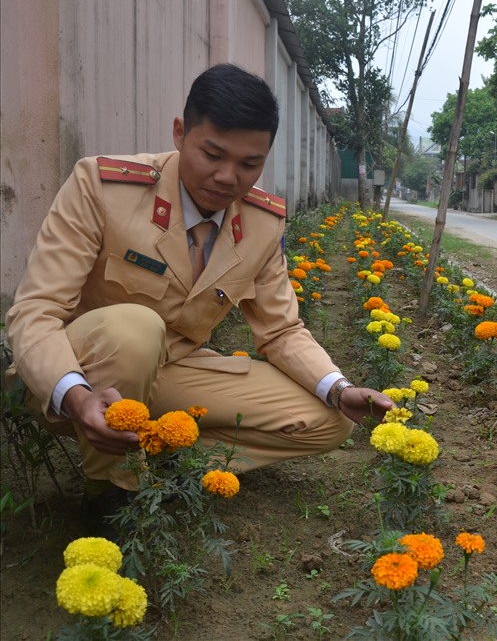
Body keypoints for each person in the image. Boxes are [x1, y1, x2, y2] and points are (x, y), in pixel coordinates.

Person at [5, 64, 393, 538]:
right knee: (136, 329)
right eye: (212, 153)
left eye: (250, 164)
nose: (228, 177)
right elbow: (35, 312)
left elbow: (281, 330)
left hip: (173, 372)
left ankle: (167, 466)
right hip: (84, 376)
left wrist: (338, 387)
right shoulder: (102, 188)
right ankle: (109, 492)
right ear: (179, 132)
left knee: (328, 421)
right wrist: (76, 395)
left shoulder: (261, 224)